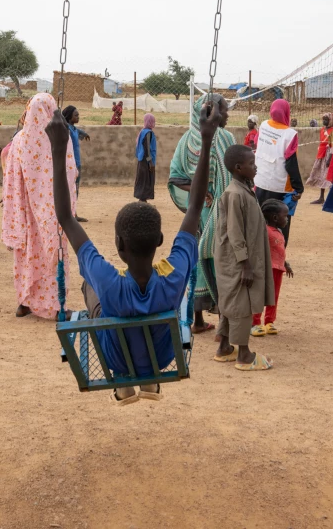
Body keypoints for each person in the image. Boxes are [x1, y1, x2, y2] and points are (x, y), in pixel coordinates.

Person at [49, 95, 225, 403]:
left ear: (118, 245)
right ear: (160, 240)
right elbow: (195, 208)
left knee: (90, 285)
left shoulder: (107, 280)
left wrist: (57, 149)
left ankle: (124, 381)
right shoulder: (173, 275)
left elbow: (66, 217)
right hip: (162, 357)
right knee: (137, 300)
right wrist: (207, 138)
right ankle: (150, 380)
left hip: (116, 359)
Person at [1, 93, 78, 318]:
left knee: (26, 256)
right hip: (52, 211)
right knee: (53, 254)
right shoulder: (59, 138)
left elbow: (11, 178)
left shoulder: (19, 140)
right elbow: (70, 172)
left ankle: (24, 301)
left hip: (25, 212)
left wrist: (15, 209)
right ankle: (57, 305)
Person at [168, 94, 234, 337]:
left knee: (195, 259)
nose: (227, 115)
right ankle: (223, 324)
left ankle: (197, 320)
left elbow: (176, 178)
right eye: (224, 110)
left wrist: (199, 192)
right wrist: (208, 191)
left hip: (197, 213)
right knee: (222, 261)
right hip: (218, 211)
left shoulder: (187, 139)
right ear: (211, 112)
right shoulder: (224, 138)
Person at [214, 144, 276, 370]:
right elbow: (235, 232)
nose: (255, 167)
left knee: (233, 301)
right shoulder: (234, 194)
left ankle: (224, 347)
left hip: (241, 259)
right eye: (251, 164)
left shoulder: (245, 190)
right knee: (241, 303)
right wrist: (245, 264)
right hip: (238, 261)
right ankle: (244, 355)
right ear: (238, 168)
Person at [253, 99, 304, 245]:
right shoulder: (290, 134)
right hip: (279, 186)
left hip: (260, 181)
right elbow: (291, 163)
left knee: (261, 219)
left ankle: (260, 251)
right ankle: (278, 251)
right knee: (280, 221)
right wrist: (298, 187)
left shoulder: (263, 125)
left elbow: (257, 143)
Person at [251, 199, 294, 338]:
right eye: (285, 216)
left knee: (274, 296)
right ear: (275, 217)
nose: (287, 219)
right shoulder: (264, 232)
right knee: (260, 296)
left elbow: (279, 251)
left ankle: (269, 321)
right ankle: (255, 322)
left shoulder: (279, 232)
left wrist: (285, 264)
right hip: (265, 270)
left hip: (278, 270)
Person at [61, 105, 92, 223]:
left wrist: (85, 134)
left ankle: (73, 213)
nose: (78, 117)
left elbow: (77, 131)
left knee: (75, 189)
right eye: (76, 115)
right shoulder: (66, 129)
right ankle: (70, 214)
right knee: (71, 189)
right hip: (70, 164)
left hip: (77, 163)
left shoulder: (73, 129)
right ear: (69, 117)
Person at [307, 113, 333, 204]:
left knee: (327, 176)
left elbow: (332, 146)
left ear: (330, 121)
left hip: (328, 155)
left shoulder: (332, 131)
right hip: (321, 154)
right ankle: (321, 197)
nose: (324, 121)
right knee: (321, 175)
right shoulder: (322, 130)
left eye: (326, 120)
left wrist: (329, 158)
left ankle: (331, 199)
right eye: (323, 119)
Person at [134, 113, 157, 202]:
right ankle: (142, 199)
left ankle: (142, 198)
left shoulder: (143, 131)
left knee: (143, 179)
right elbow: (146, 147)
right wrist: (150, 162)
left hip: (142, 159)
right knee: (146, 179)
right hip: (146, 161)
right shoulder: (148, 133)